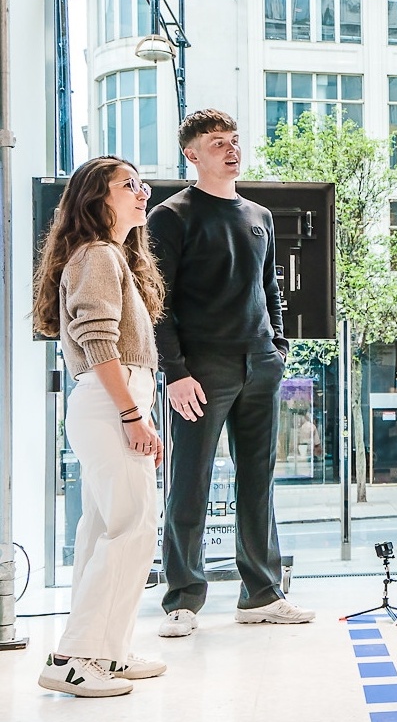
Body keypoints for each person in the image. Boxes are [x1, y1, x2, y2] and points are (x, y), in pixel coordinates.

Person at [149, 109, 313, 637]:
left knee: (258, 481)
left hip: (260, 362)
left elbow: (271, 291)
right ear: (192, 154)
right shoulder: (170, 216)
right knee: (189, 482)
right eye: (218, 143)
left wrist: (278, 345)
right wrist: (175, 371)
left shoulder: (259, 216)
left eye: (234, 140)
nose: (231, 149)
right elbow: (159, 302)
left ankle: (261, 594)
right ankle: (182, 600)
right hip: (200, 368)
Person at [32, 157, 167, 696]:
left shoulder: (108, 255)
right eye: (127, 185)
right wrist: (133, 415)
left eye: (142, 183)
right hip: (113, 401)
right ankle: (75, 657)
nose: (142, 192)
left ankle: (105, 651)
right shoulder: (96, 255)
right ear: (97, 198)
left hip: (110, 400)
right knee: (130, 528)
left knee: (104, 528)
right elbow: (97, 340)